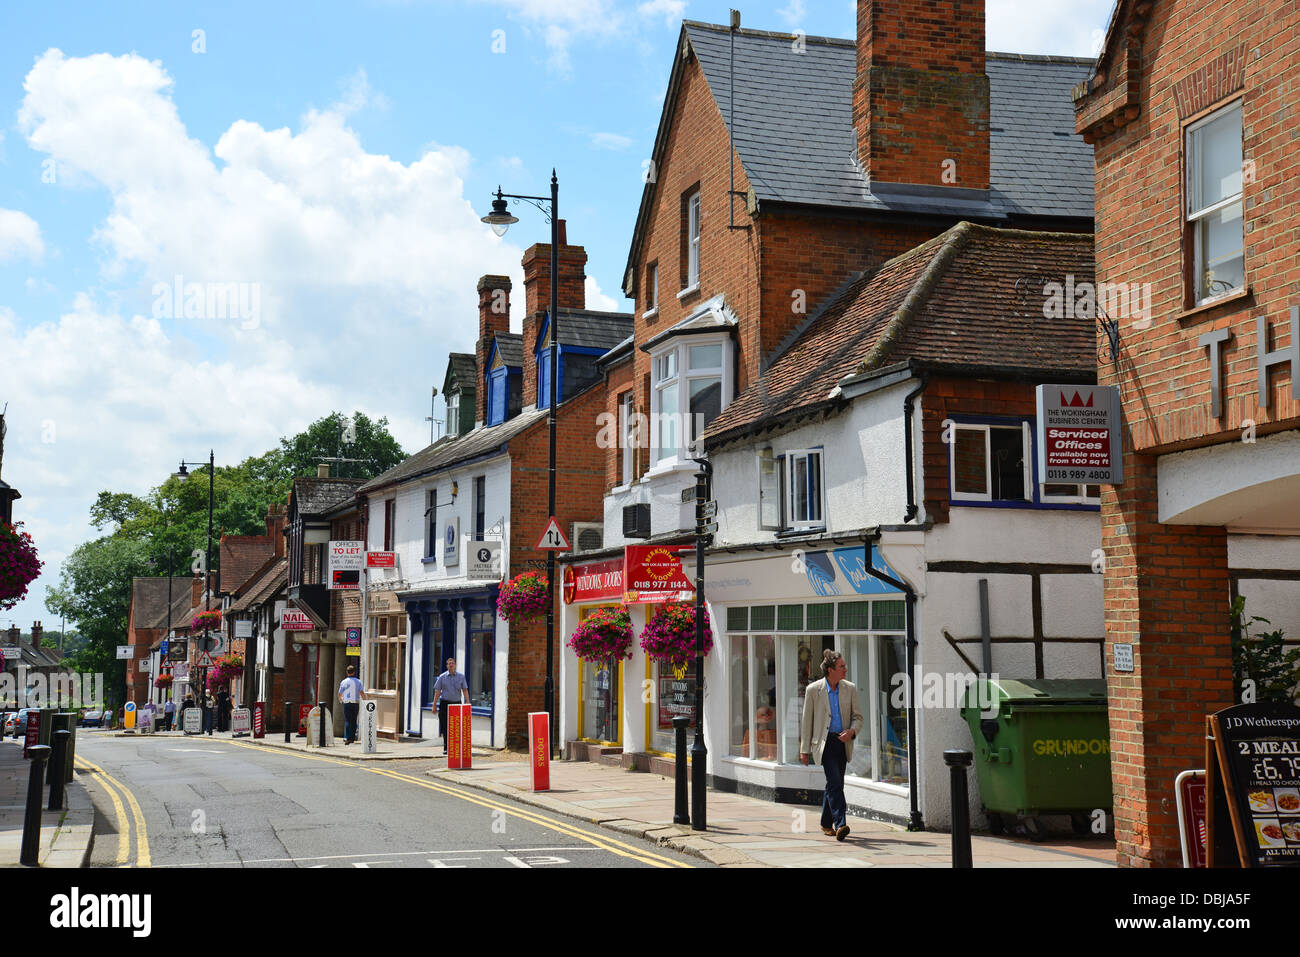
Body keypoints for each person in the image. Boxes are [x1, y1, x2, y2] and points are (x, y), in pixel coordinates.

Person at [799, 649, 864, 841]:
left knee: (835, 784)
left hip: (842, 743)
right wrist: (804, 750)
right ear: (830, 670)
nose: (845, 669)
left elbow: (858, 718)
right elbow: (807, 721)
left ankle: (826, 823)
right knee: (835, 783)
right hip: (824, 744)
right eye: (841, 667)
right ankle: (841, 823)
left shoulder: (849, 688)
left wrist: (852, 731)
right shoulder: (814, 690)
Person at [431, 658, 469, 755]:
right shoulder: (442, 677)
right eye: (449, 664)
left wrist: (467, 702)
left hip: (456, 704)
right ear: (446, 666)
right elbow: (437, 692)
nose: (451, 665)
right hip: (444, 704)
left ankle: (455, 747)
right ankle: (446, 748)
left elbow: (464, 690)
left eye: (452, 663)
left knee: (456, 727)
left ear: (455, 665)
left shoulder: (461, 676)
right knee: (445, 727)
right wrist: (434, 705)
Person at [338, 665, 364, 744]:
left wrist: (341, 700)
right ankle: (352, 738)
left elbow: (339, 694)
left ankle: (348, 738)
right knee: (353, 720)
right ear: (354, 672)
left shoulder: (343, 682)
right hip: (355, 703)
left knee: (348, 720)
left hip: (347, 703)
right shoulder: (358, 681)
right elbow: (362, 693)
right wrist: (366, 700)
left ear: (347, 672)